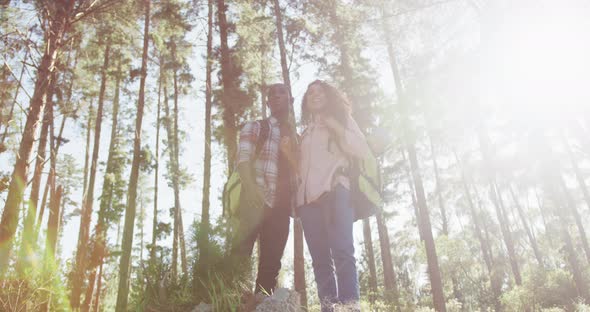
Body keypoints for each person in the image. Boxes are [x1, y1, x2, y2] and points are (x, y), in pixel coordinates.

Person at [296, 80, 370, 312]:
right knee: (320, 261)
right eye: (310, 93)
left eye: (319, 91)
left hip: (336, 192)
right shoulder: (305, 133)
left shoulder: (342, 120)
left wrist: (335, 125)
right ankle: (329, 308)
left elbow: (361, 149)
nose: (314, 95)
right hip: (308, 203)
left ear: (329, 96)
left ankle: (349, 308)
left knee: (343, 252)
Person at [231, 83, 297, 295]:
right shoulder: (256, 126)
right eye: (272, 94)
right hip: (254, 199)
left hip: (281, 208)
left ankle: (263, 305)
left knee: (271, 266)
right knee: (240, 257)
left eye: (282, 93)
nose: (277, 96)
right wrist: (251, 190)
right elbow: (242, 161)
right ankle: (230, 302)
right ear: (267, 102)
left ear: (290, 100)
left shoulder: (297, 138)